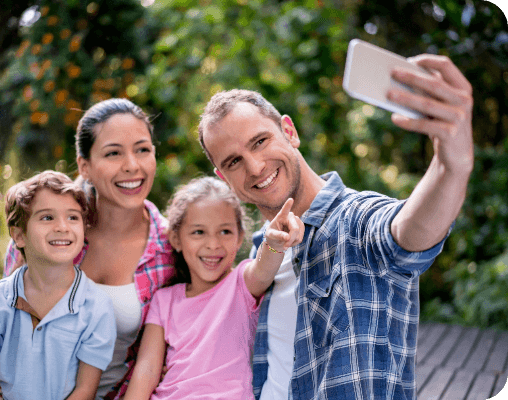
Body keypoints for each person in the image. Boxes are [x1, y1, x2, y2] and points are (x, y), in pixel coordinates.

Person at [197, 54, 473, 400]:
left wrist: (453, 166)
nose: (254, 167)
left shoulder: (355, 219)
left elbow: (406, 232)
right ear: (224, 178)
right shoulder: (259, 255)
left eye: (260, 141)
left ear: (289, 131)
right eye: (234, 161)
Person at [0, 99, 175, 400]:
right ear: (85, 166)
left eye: (143, 149)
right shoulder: (42, 233)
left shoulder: (172, 248)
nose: (132, 165)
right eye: (113, 153)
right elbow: (4, 328)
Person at [124, 177, 304, 399]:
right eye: (199, 232)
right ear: (176, 239)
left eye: (225, 232)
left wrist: (274, 243)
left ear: (239, 238)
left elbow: (263, 268)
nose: (213, 244)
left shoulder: (242, 283)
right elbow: (147, 370)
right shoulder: (164, 299)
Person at [0, 170, 116, 400]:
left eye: (73, 217)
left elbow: (85, 391)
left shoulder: (97, 306)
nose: (62, 227)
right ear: (19, 235)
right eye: (47, 217)